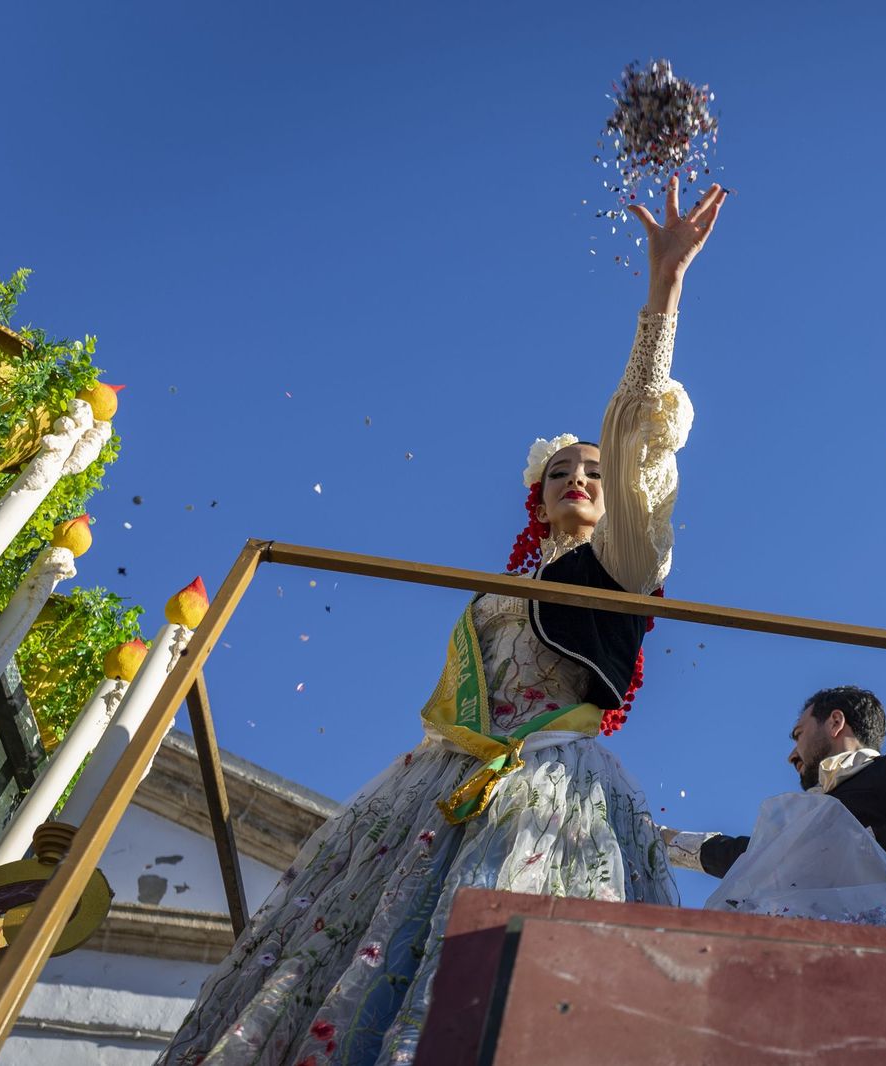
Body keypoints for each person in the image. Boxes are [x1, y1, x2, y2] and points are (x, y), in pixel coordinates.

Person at [159, 178, 728, 1066]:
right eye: (559, 473)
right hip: (440, 777)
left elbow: (635, 434)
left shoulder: (625, 560)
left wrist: (663, 295)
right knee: (356, 949)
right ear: (534, 497)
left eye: (593, 472)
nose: (580, 477)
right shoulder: (499, 584)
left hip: (547, 784)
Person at [666, 686, 886, 932]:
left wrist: (846, 851)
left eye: (799, 733)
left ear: (835, 722)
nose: (791, 755)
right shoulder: (811, 809)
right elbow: (757, 858)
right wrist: (668, 843)